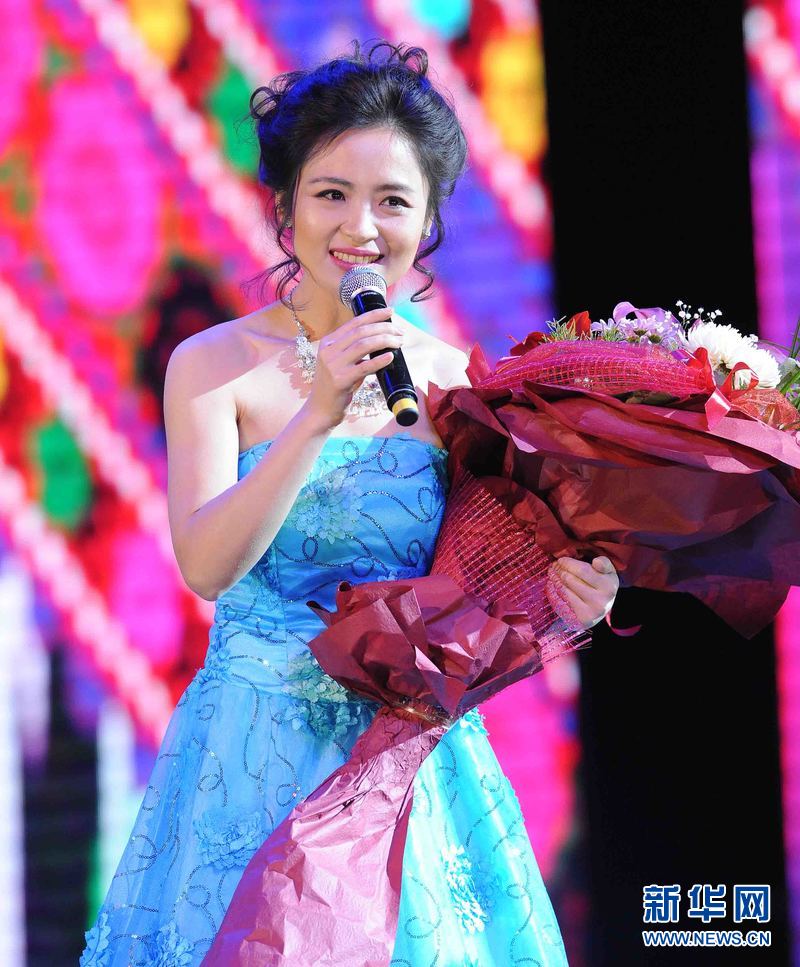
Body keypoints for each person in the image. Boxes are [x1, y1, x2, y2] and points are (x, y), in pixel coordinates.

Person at [80, 41, 618, 966]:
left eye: (393, 201)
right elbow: (207, 564)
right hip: (251, 753)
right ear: (285, 206)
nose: (360, 227)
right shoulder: (214, 365)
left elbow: (485, 591)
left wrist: (575, 599)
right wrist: (315, 415)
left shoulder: (458, 385)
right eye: (331, 193)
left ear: (429, 220)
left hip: (404, 759)